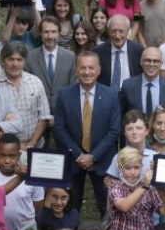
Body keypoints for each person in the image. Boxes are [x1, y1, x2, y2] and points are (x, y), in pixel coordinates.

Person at [52, 51, 122, 217]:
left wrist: (93, 156)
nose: (87, 72)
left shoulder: (111, 95)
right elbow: (59, 128)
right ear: (76, 70)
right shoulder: (64, 94)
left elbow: (114, 130)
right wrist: (79, 155)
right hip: (73, 160)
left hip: (103, 159)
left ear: (98, 70)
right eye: (82, 68)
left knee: (107, 205)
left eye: (91, 68)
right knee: (70, 205)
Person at [107, 146, 165, 230]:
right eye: (128, 168)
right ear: (120, 168)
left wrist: (162, 190)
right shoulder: (115, 188)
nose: (132, 172)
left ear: (142, 167)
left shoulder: (151, 188)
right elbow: (124, 206)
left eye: (136, 167)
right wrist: (144, 186)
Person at [0, 42, 52, 150]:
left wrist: (31, 144)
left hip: (34, 146)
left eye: (19, 60)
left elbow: (43, 117)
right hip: (3, 149)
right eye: (11, 59)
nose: (15, 64)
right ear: (3, 61)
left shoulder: (35, 82)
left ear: (24, 62)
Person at [26, 16, 78, 112]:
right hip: (37, 113)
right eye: (46, 32)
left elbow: (74, 88)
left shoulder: (71, 57)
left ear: (59, 33)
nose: (50, 36)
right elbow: (27, 89)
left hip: (64, 113)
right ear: (40, 34)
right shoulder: (30, 57)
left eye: (53, 32)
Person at [120, 47, 165, 118]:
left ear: (161, 64)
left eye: (156, 61)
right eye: (148, 60)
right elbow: (121, 115)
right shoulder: (128, 86)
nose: (151, 64)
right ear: (141, 62)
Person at [94, 14, 144, 90]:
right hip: (106, 97)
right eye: (113, 31)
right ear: (108, 31)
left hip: (130, 97)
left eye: (121, 31)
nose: (117, 36)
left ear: (128, 31)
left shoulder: (138, 51)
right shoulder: (98, 52)